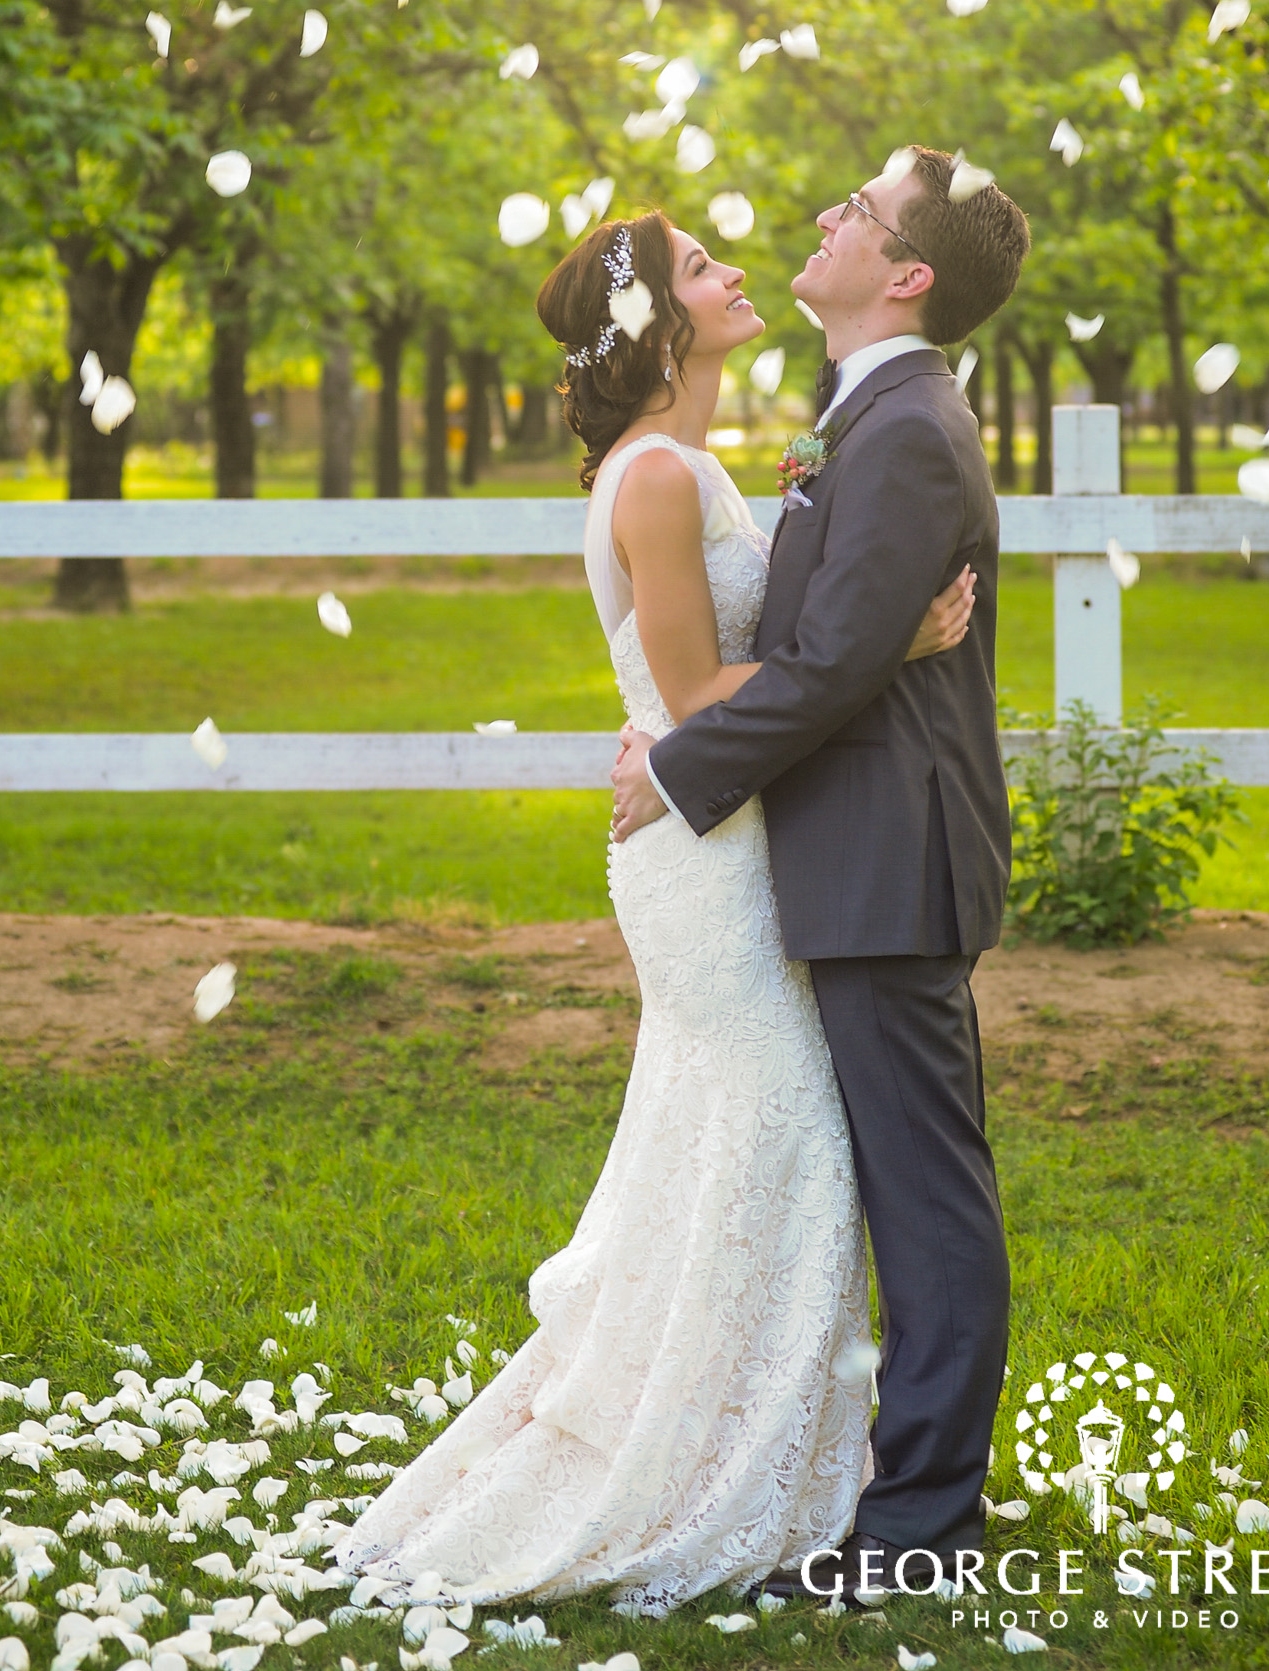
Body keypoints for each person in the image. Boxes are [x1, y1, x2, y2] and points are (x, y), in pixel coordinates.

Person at [332, 203, 975, 1616]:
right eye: (701, 267)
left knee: (746, 1141)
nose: (734, 271)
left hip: (728, 831)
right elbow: (692, 700)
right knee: (775, 1135)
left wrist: (838, 653)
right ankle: (718, 1463)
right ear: (660, 325)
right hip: (707, 856)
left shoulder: (687, 463)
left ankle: (751, 1443)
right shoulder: (660, 481)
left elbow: (725, 681)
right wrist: (887, 646)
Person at [611, 147, 1030, 1593]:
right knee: (904, 1190)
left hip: (891, 855)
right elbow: (827, 645)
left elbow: (837, 663)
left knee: (928, 1202)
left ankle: (922, 1536)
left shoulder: (907, 428)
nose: (823, 218)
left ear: (906, 274)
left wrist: (675, 772)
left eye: (856, 211)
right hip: (858, 848)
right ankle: (871, 1487)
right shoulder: (866, 417)